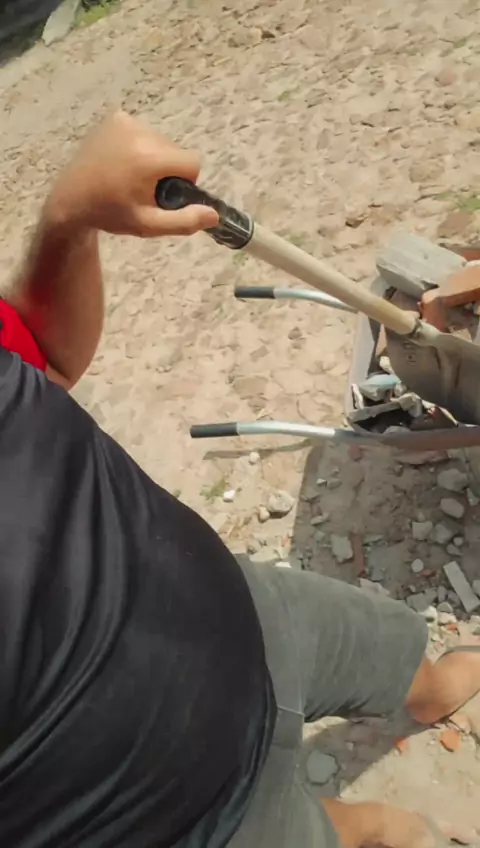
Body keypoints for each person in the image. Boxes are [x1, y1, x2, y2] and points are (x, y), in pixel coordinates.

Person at [0, 111, 478, 848]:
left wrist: (69, 219)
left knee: (393, 652)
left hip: (234, 608)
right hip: (166, 820)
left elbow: (45, 364)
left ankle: (434, 692)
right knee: (361, 834)